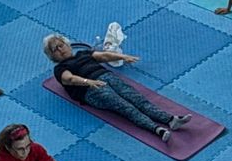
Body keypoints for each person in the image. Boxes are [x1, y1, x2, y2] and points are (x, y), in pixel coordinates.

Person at [43, 33, 190, 142]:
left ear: (67, 44)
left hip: (107, 77)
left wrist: (122, 57)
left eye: (60, 45)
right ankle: (156, 129)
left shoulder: (83, 53)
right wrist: (88, 82)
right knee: (124, 106)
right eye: (55, 49)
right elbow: (69, 79)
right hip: (91, 89)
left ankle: (171, 119)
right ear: (52, 56)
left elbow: (103, 56)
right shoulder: (60, 68)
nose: (60, 49)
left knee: (137, 99)